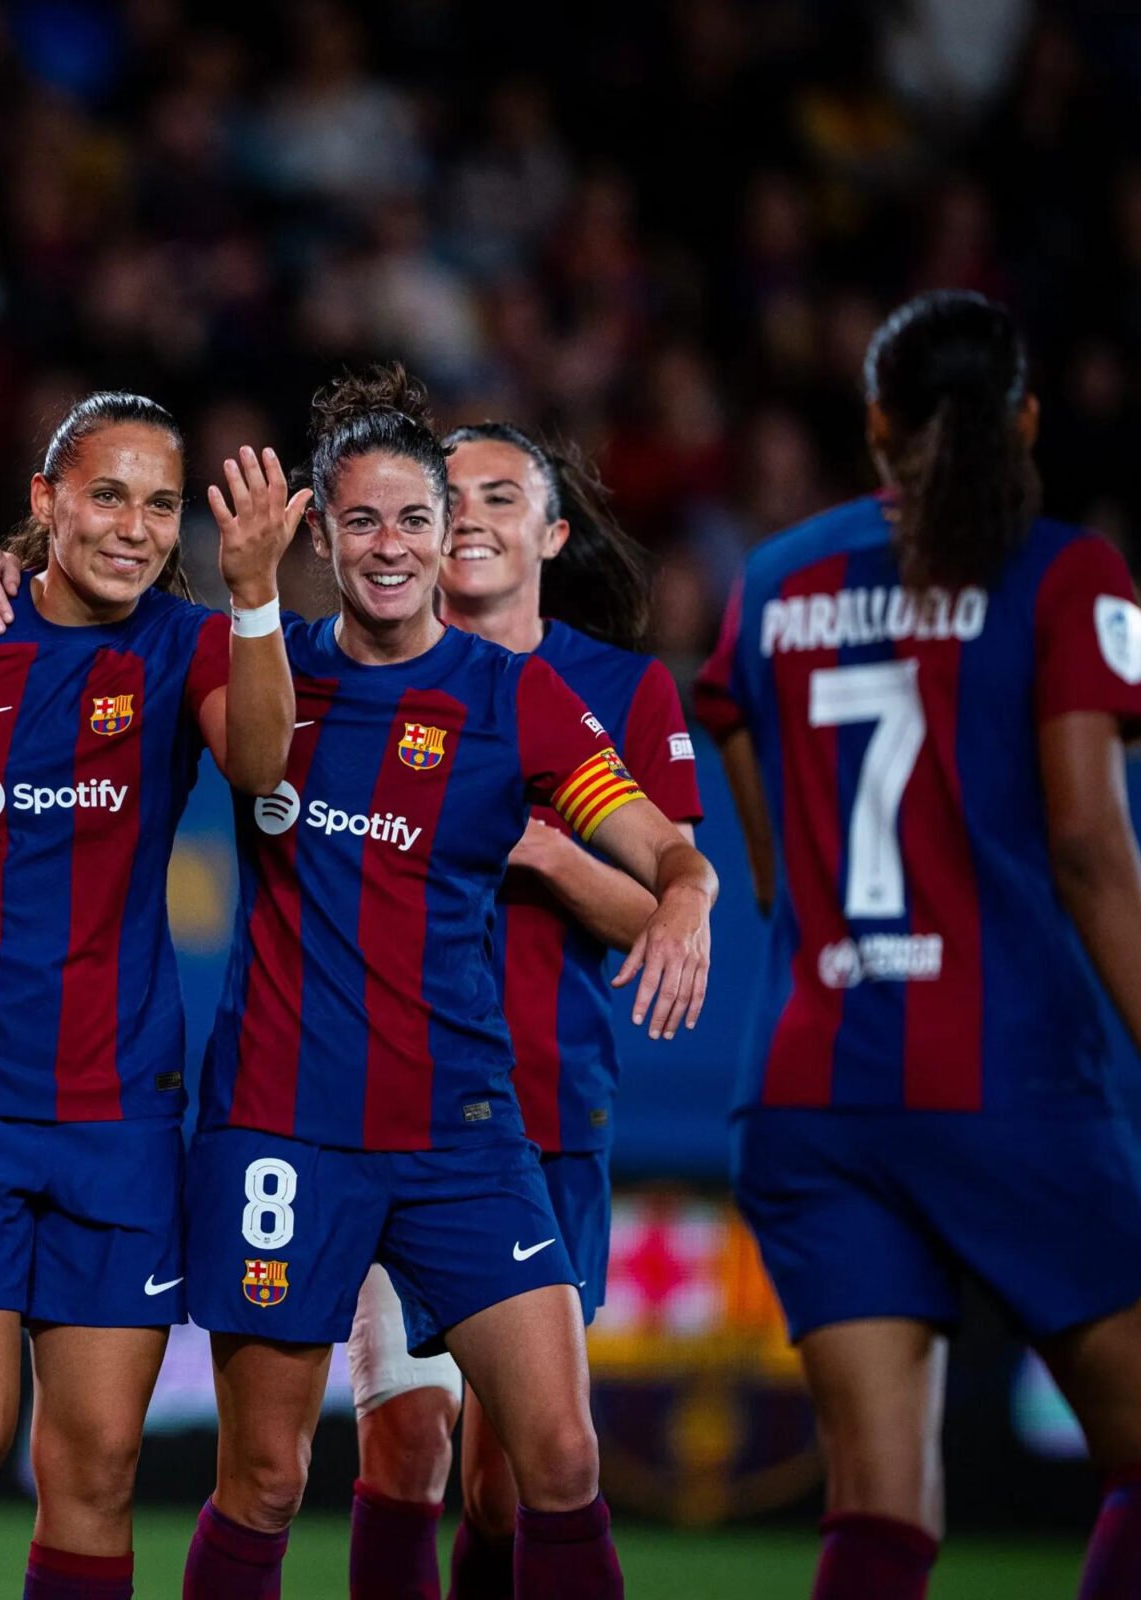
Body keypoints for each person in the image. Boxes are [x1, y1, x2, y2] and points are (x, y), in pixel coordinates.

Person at [694, 289, 1141, 1600]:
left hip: (814, 1089)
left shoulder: (774, 582)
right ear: (1027, 418)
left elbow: (770, 857)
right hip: (1005, 1086)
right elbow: (1092, 848)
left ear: (873, 422)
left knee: (878, 1513)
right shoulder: (1063, 574)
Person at [181, 367, 715, 1600]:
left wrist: (688, 893)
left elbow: (655, 844)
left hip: (464, 1132)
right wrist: (244, 594)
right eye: (360, 519)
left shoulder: (518, 697)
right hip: (285, 1123)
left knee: (561, 1454)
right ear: (318, 528)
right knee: (264, 1476)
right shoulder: (258, 664)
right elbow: (253, 767)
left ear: (447, 535)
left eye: (414, 520)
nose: (391, 545)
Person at [0, 391, 301, 1600]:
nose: (134, 528)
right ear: (44, 504)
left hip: (121, 1113)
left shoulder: (191, 643)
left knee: (93, 1465)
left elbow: (260, 770)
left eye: (157, 504)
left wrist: (255, 597)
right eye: (106, 495)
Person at [341, 425, 703, 1600]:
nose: (473, 513)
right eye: (451, 495)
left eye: (504, 495)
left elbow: (659, 901)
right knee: (404, 1442)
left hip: (546, 1114)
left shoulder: (619, 691)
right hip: (391, 1107)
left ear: (549, 534)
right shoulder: (368, 667)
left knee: (510, 1476)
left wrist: (544, 848)